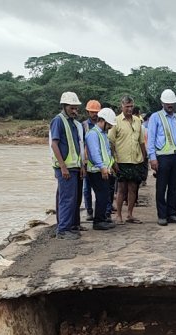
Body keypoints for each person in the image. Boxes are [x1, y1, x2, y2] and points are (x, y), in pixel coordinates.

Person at [49, 92, 87, 239]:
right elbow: (54, 144)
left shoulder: (73, 123)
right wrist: (63, 166)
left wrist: (81, 166)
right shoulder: (58, 121)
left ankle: (70, 226)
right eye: (72, 108)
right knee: (67, 199)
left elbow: (77, 146)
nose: (75, 111)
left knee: (74, 199)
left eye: (76, 108)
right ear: (64, 106)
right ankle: (63, 230)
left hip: (75, 166)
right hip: (65, 168)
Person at [147, 89, 176, 226]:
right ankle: (162, 215)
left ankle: (171, 214)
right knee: (161, 187)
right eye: (168, 103)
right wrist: (152, 158)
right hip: (162, 157)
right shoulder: (155, 117)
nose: (170, 105)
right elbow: (151, 139)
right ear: (162, 103)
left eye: (172, 103)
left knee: (174, 187)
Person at [109, 96, 146, 224]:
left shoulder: (137, 121)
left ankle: (130, 214)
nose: (130, 109)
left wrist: (144, 158)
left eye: (131, 106)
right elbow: (111, 143)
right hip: (121, 160)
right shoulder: (116, 121)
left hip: (136, 160)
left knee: (133, 188)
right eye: (127, 107)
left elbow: (141, 142)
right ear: (122, 107)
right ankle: (118, 215)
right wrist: (113, 161)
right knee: (121, 189)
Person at [84, 108, 118, 230]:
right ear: (102, 121)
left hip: (104, 170)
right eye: (109, 124)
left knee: (105, 195)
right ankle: (98, 221)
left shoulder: (103, 134)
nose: (109, 127)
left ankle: (102, 218)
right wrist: (102, 167)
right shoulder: (93, 134)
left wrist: (112, 164)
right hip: (96, 171)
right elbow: (95, 153)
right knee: (102, 195)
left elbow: (106, 153)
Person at [81, 100, 101, 221]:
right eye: (92, 112)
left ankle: (102, 212)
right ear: (88, 112)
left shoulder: (102, 124)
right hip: (87, 161)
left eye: (96, 112)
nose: (94, 114)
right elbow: (81, 143)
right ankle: (89, 211)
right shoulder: (83, 125)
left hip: (99, 161)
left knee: (100, 188)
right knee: (86, 188)